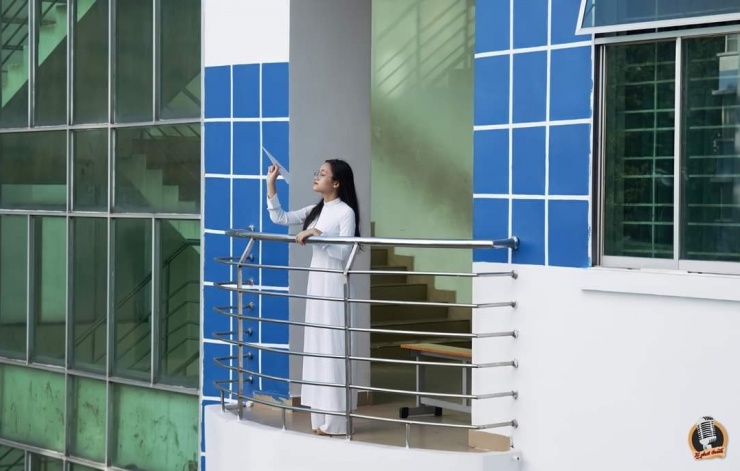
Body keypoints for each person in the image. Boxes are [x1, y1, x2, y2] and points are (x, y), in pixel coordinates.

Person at [266, 159, 361, 436]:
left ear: (336, 182)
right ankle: (319, 420)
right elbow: (279, 218)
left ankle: (336, 422)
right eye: (317, 172)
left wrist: (318, 234)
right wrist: (271, 184)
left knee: (333, 349)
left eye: (322, 174)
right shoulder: (315, 210)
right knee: (317, 347)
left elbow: (345, 254)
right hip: (316, 286)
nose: (316, 177)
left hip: (335, 286)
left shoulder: (345, 212)